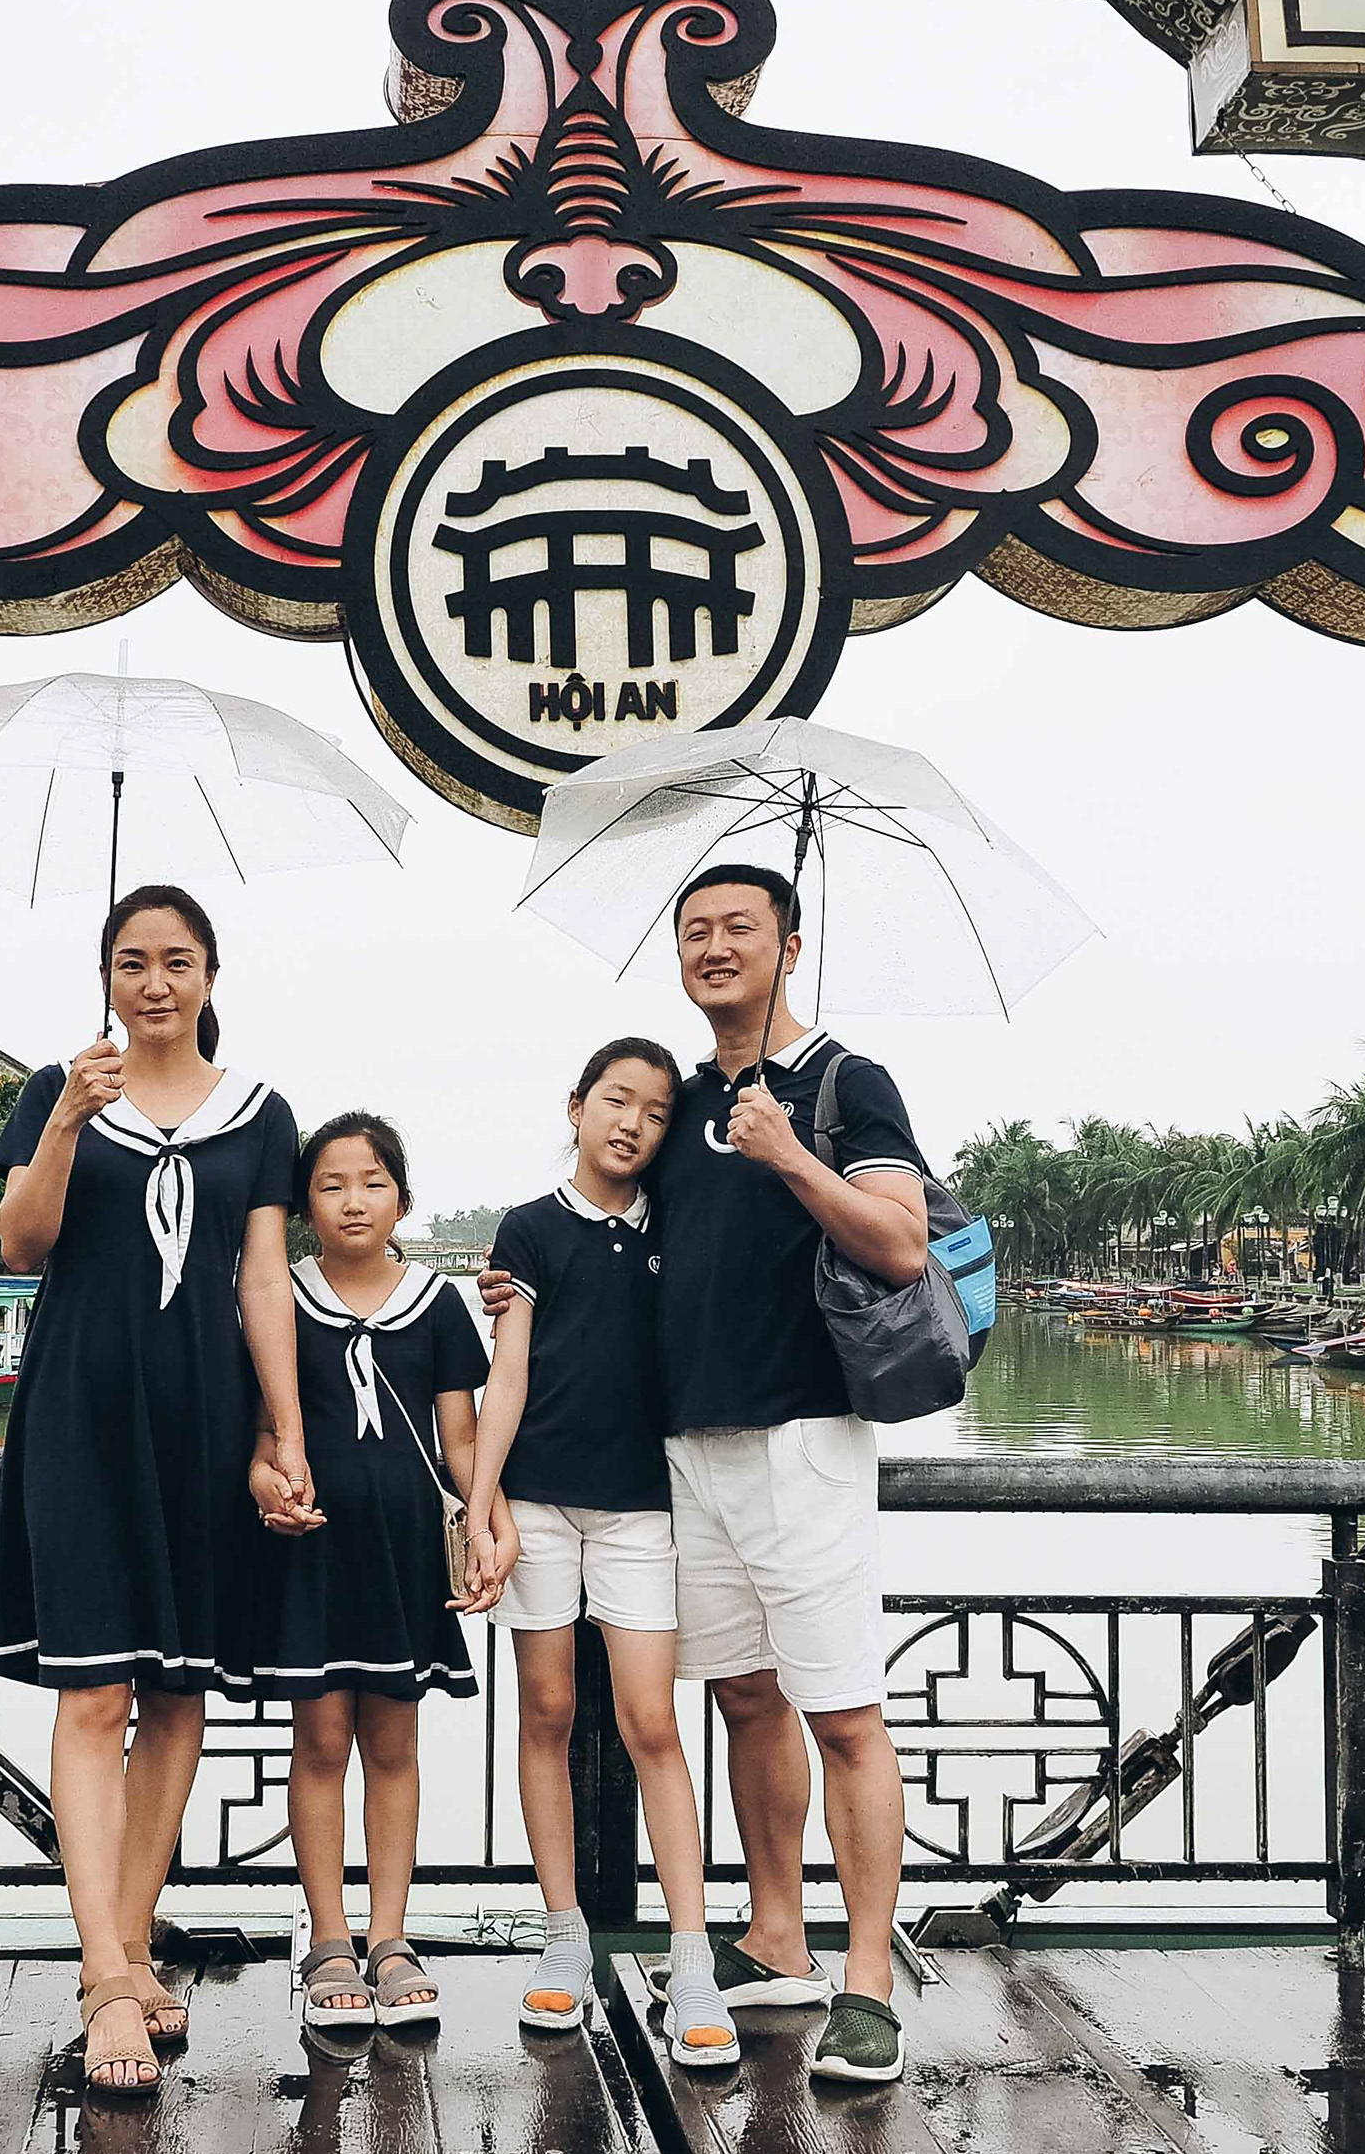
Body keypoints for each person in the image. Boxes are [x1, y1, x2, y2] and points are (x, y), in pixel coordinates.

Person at [0, 884, 315, 2098]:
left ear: (212, 974)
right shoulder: (61, 1090)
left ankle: (115, 1948)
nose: (154, 982)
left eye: (177, 961)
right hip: (80, 1409)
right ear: (106, 975)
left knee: (178, 1694)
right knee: (92, 1690)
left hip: (205, 1418)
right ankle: (112, 1968)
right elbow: (21, 1242)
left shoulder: (263, 1113)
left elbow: (263, 1279)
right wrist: (66, 1116)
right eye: (132, 961)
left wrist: (285, 1430)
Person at [626, 862, 936, 2087]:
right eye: (693, 929)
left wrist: (793, 1155)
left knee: (844, 1712)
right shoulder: (679, 1099)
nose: (713, 946)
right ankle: (774, 1936)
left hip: (804, 1437)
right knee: (745, 1699)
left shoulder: (847, 1085)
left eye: (738, 928)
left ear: (789, 947)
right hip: (690, 1444)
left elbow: (903, 1246)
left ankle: (867, 1983)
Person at [463, 1037, 738, 2069]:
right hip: (536, 1502)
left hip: (639, 1509)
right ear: (575, 1105)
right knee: (545, 1712)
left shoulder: (677, 1231)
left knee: (650, 1722)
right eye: (615, 1100)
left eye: (656, 1111)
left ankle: (693, 1955)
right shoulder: (529, 1230)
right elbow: (513, 1371)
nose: (631, 1122)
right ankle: (563, 1935)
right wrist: (482, 1509)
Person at [231, 1112, 486, 2033]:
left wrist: (487, 1523)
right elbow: (262, 1435)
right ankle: (329, 1939)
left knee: (393, 1746)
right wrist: (267, 1482)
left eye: (373, 1182)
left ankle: (390, 1936)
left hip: (404, 1560)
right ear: (304, 1206)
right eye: (331, 1184)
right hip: (312, 1556)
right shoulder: (280, 1300)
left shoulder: (438, 1305)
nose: (353, 1200)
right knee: (321, 1744)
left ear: (403, 1201)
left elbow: (460, 1437)